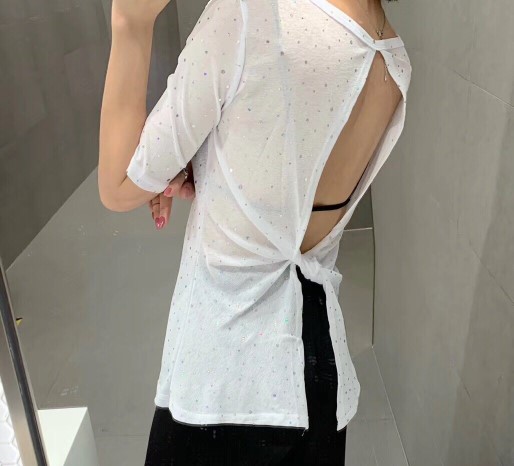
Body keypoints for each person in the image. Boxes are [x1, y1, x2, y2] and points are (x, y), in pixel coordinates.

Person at [98, 0, 411, 464]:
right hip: (321, 379)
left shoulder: (247, 14)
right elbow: (290, 187)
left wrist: (131, 24)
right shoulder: (392, 57)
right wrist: (207, 162)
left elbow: (120, 184)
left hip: (224, 382)